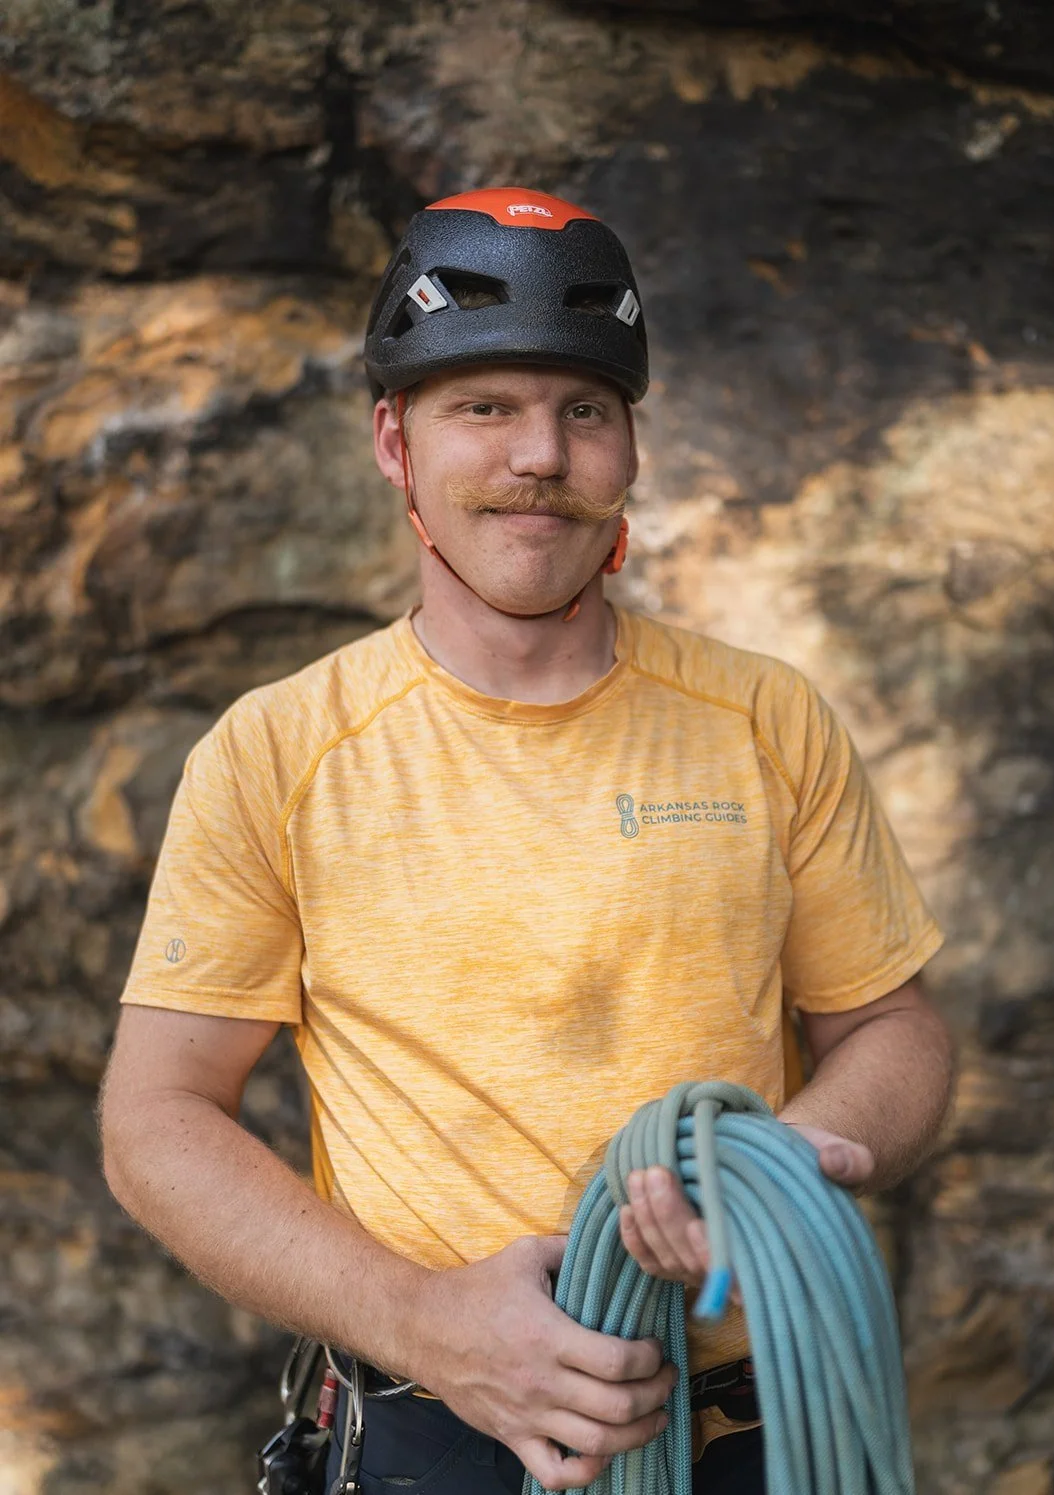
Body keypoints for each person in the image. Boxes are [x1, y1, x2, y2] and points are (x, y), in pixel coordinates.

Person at [99, 186, 954, 1495]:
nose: (540, 455)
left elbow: (892, 1029)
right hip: (431, 1432)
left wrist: (784, 1163)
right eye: (484, 407)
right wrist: (420, 1319)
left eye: (584, 410)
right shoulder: (279, 752)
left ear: (630, 448)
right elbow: (155, 1117)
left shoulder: (764, 720)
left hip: (748, 1431)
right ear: (395, 442)